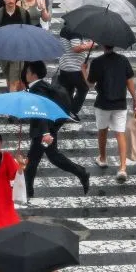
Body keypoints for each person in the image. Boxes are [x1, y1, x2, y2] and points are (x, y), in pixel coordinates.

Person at [23, 61, 91, 197]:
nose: (25, 74)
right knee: (50, 157)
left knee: (33, 161)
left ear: (33, 74)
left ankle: (28, 192)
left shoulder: (38, 89)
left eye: (27, 71)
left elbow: (41, 112)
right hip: (47, 128)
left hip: (43, 131)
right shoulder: (40, 86)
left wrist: (46, 133)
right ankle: (81, 173)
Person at [87, 44, 136, 183]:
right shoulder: (123, 60)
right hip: (120, 103)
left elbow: (90, 84)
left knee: (102, 131)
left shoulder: (97, 62)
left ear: (103, 45)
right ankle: (122, 168)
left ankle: (102, 158)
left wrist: (83, 71)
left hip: (103, 103)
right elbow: (129, 81)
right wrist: (135, 99)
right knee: (120, 134)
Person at [0, 0, 32, 91]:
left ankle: (11, 101)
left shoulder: (23, 13)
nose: (10, 0)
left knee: (14, 80)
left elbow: (28, 32)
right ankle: (12, 96)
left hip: (18, 51)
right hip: (4, 51)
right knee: (9, 78)